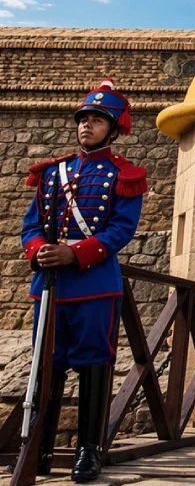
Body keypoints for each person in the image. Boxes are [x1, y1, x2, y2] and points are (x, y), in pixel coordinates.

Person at [20, 79, 146, 483]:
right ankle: (37, 449)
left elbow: (119, 231)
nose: (86, 126)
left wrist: (75, 252)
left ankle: (87, 451)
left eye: (96, 120)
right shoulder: (53, 173)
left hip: (93, 284)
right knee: (47, 365)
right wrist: (39, 249)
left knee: (93, 362)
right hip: (51, 286)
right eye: (83, 119)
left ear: (114, 128)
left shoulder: (124, 175)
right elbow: (30, 226)